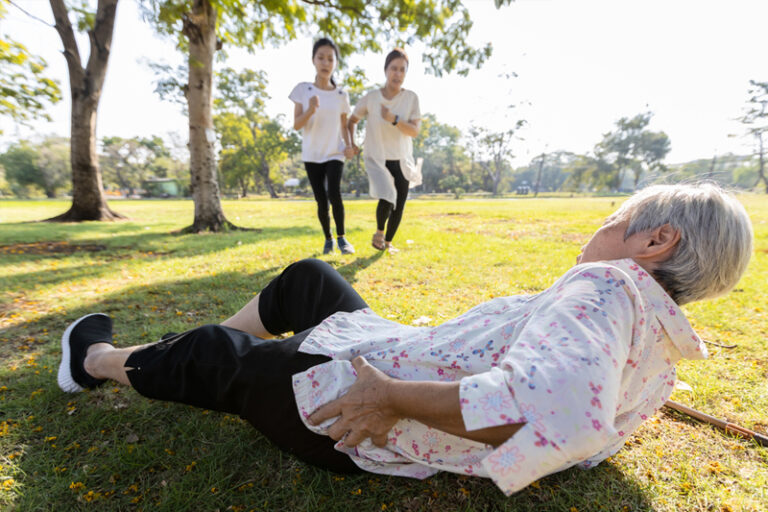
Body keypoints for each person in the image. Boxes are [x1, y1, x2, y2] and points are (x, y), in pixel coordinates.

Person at [57, 183, 753, 495]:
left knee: (218, 357)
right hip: (390, 352)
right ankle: (184, 352)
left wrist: (394, 400)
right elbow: (590, 417)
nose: (592, 233)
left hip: (354, 414)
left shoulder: (606, 287)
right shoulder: (657, 339)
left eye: (612, 219)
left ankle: (92, 360)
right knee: (310, 280)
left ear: (656, 241)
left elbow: (554, 414)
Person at [347, 48, 421, 253]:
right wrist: (351, 143)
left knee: (399, 203)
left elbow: (414, 131)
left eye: (402, 70)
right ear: (386, 70)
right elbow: (352, 120)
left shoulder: (411, 98)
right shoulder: (371, 98)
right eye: (394, 68)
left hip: (402, 157)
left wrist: (395, 120)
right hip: (377, 156)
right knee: (387, 196)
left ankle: (388, 242)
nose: (397, 74)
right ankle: (380, 232)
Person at [290, 37, 356, 255]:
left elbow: (344, 125)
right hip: (312, 154)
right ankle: (328, 239)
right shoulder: (303, 90)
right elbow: (297, 125)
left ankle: (342, 238)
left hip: (334, 152)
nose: (326, 62)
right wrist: (310, 109)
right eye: (321, 58)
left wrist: (349, 145)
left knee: (334, 193)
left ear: (335, 63)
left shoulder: (341, 95)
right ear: (313, 61)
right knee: (321, 200)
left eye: (330, 58)